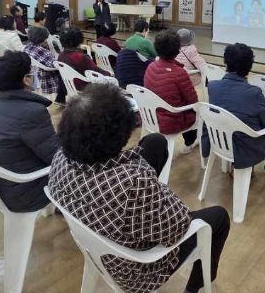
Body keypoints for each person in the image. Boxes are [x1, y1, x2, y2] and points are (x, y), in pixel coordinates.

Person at [49, 85, 230, 293]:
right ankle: (195, 286)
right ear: (120, 135)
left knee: (154, 142)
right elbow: (179, 226)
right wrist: (153, 189)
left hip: (95, 235)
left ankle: (148, 209)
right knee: (219, 217)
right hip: (135, 270)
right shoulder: (133, 183)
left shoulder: (59, 158)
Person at [0, 51, 59, 212]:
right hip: (23, 191)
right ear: (26, 79)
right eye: (32, 72)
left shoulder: (0, 100)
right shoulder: (32, 111)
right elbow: (55, 157)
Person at [202, 43, 265, 171]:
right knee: (263, 128)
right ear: (249, 66)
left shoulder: (213, 86)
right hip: (244, 148)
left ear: (226, 63)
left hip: (218, 141)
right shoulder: (254, 93)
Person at [144, 30, 199, 152]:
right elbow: (193, 101)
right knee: (198, 112)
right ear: (177, 50)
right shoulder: (179, 72)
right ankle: (189, 144)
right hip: (171, 122)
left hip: (151, 116)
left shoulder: (151, 66)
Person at [56, 27, 109, 102]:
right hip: (84, 86)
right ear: (78, 40)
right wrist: (109, 74)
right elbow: (96, 71)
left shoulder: (61, 55)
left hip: (70, 85)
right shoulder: (81, 57)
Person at [23, 26, 62, 101]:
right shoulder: (44, 52)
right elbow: (56, 65)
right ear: (43, 39)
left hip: (34, 78)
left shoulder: (26, 48)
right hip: (48, 80)